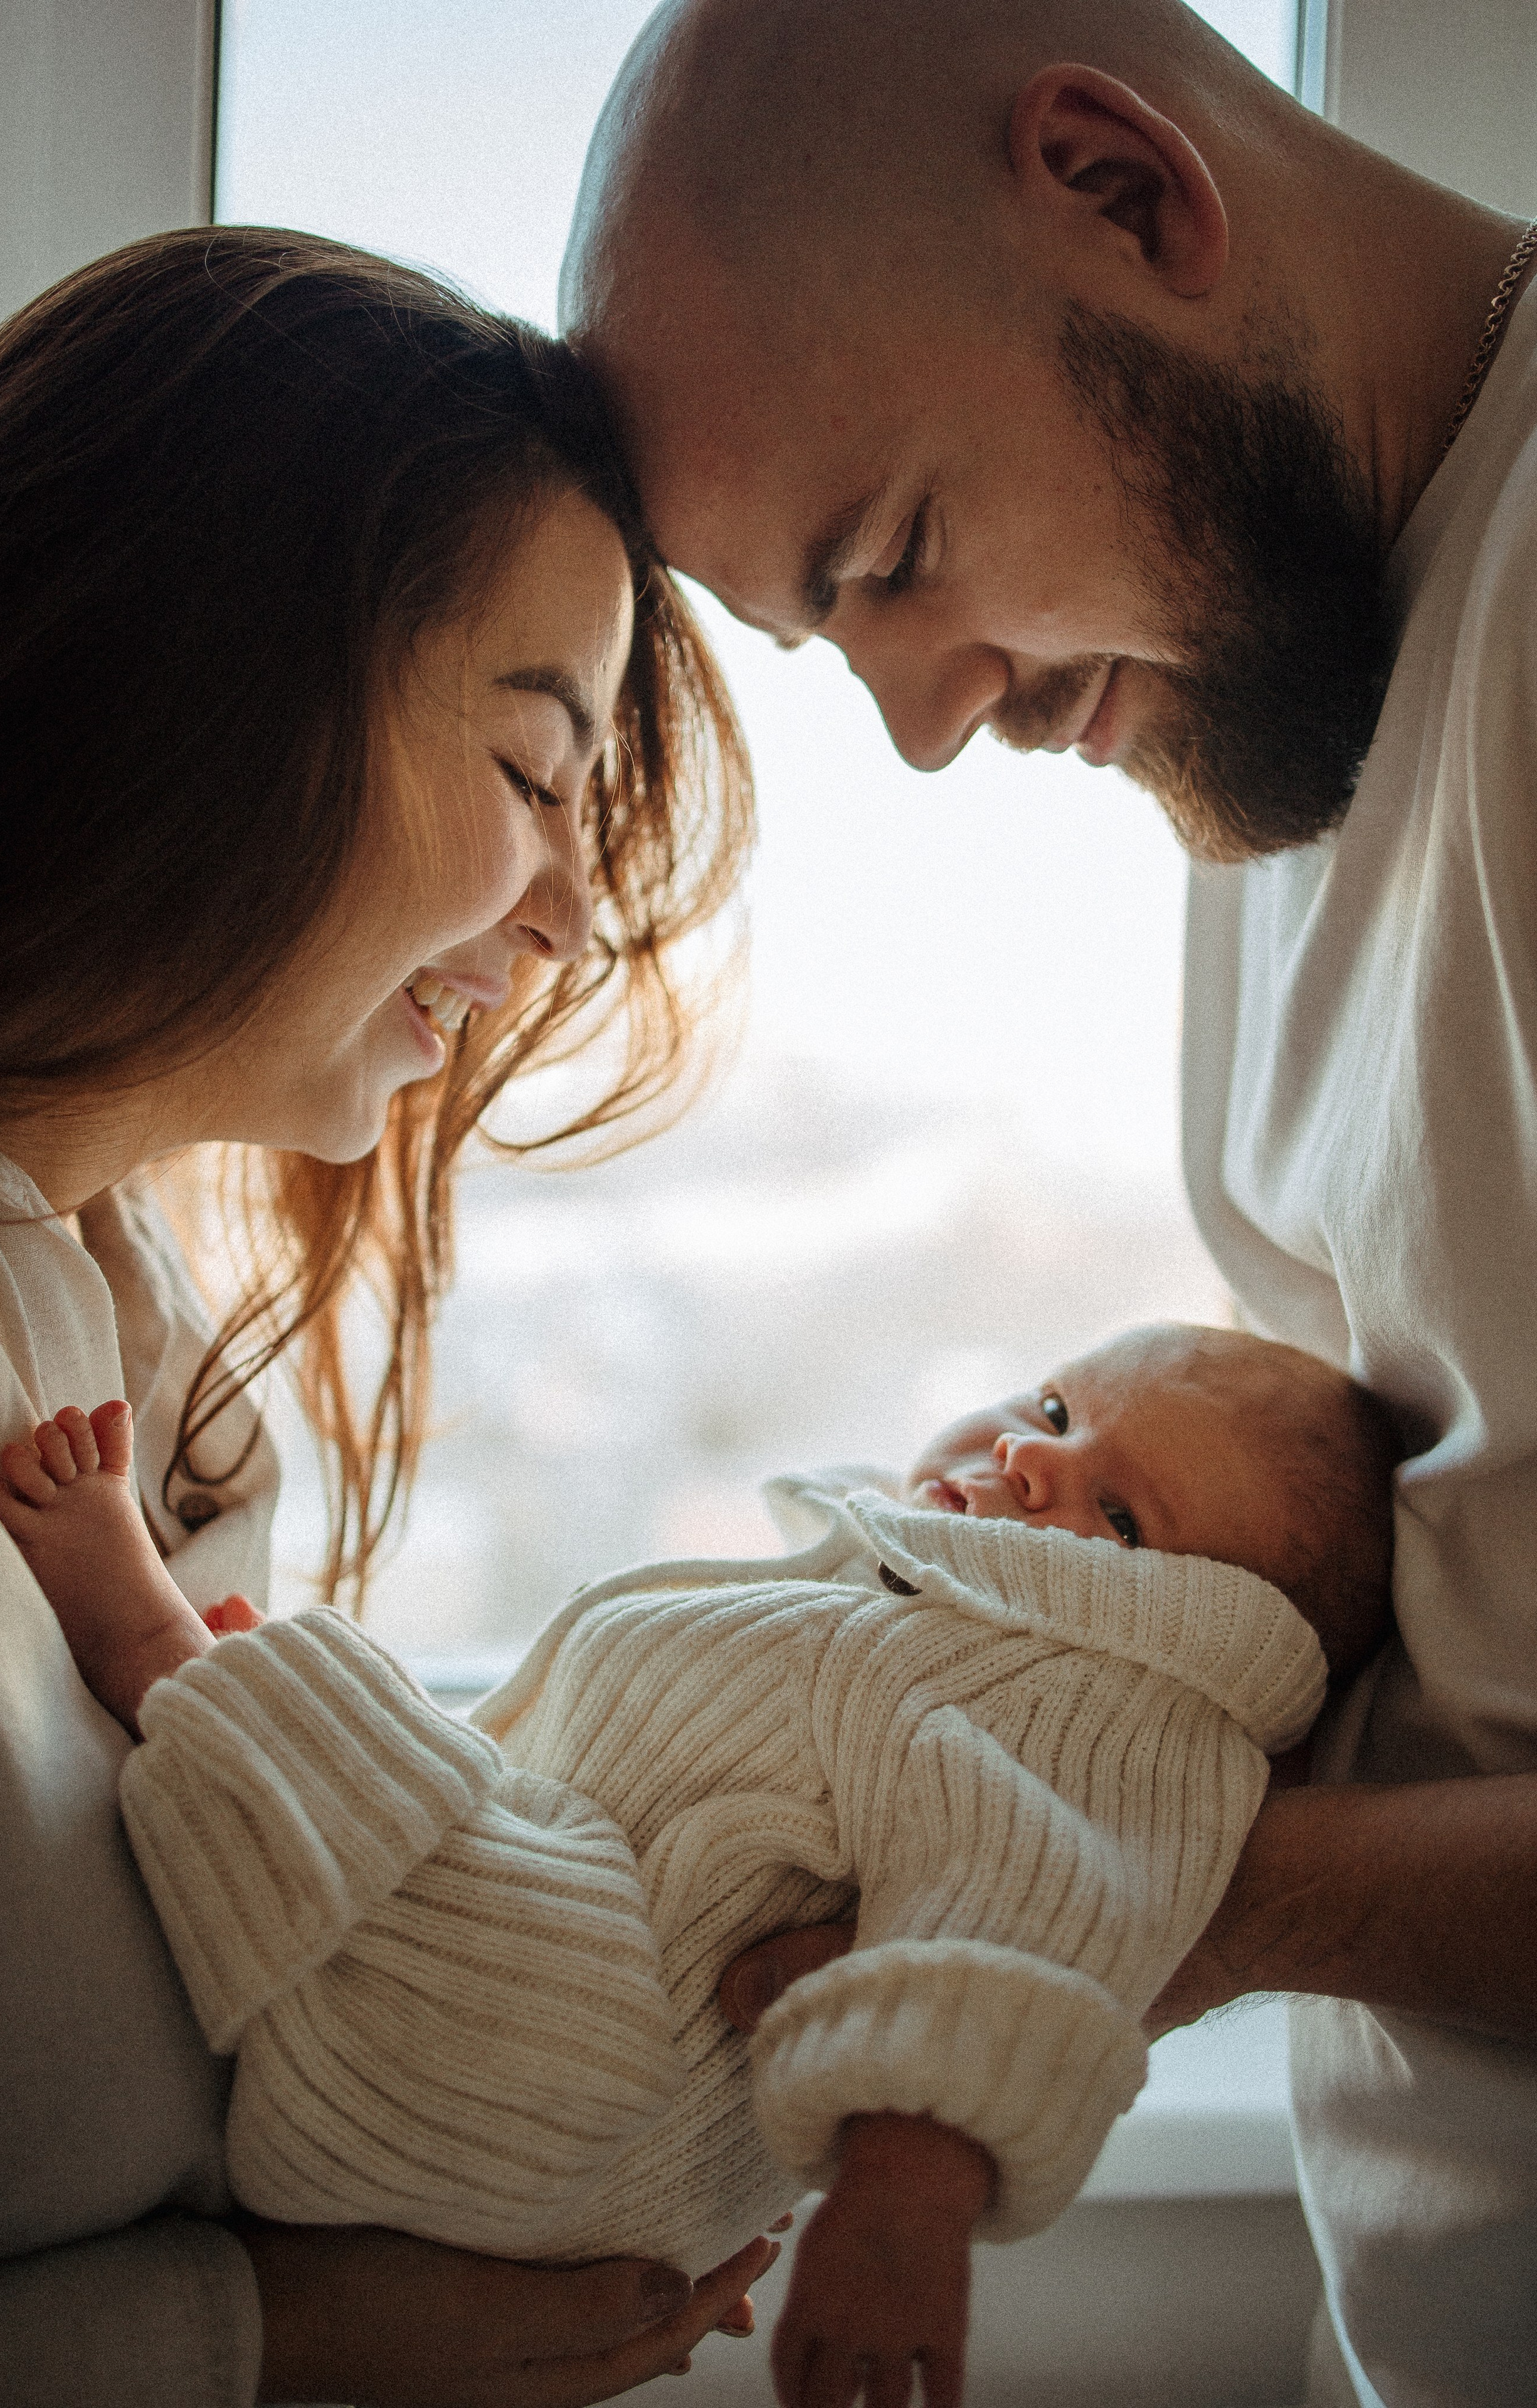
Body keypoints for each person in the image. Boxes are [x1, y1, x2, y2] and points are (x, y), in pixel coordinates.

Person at [558, 3, 1537, 2401]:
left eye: (896, 554)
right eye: (831, 641)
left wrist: (1125, 1883)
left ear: (1124, 190)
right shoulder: (1271, 718)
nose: (921, 725)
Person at [0, 224, 771, 2408]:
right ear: (204, 675)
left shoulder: (122, 1335)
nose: (573, 917)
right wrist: (261, 2340)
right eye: (532, 774)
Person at [0, 1324, 1395, 2408]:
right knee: (448, 1815)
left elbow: (1023, 1923)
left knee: (453, 1850)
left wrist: (907, 2196)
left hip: (561, 2066)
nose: (1034, 1458)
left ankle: (154, 1651)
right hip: (556, 2036)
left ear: (1203, 1627)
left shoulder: (1096, 1707)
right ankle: (259, 1741)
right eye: (1053, 1406)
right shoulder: (918, 1598)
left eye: (1123, 1516)